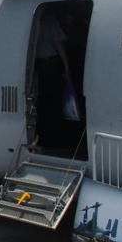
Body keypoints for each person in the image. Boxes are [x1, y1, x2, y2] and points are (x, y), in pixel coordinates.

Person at [34, 16, 70, 148]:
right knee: (54, 102)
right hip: (50, 63)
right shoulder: (51, 21)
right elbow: (58, 42)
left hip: (36, 64)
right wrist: (66, 64)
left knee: (42, 103)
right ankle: (51, 139)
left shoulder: (36, 20)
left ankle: (40, 137)